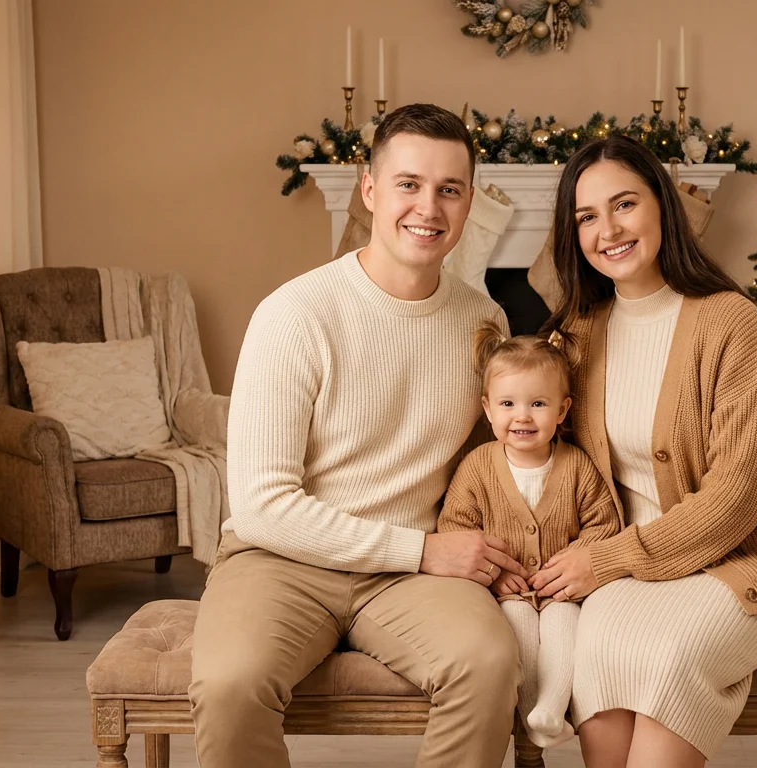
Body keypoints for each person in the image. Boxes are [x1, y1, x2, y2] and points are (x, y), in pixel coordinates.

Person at [189, 103, 528, 768]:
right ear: (370, 189)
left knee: (488, 662)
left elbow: (488, 465)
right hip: (282, 560)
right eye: (409, 184)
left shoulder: (484, 320)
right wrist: (424, 550)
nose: (428, 208)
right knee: (230, 684)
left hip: (409, 578)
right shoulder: (294, 314)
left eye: (449, 189)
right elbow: (261, 506)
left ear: (468, 203)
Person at [530, 135, 757, 768]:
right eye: (586, 217)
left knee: (666, 656)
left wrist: (606, 560)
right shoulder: (576, 335)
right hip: (629, 569)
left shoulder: (730, 321)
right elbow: (544, 461)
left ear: (662, 205)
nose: (608, 230)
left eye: (624, 204)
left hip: (743, 560)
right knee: (595, 652)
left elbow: (736, 500)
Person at [438, 323, 620, 750]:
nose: (522, 416)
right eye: (508, 403)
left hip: (561, 592)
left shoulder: (577, 465)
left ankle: (551, 710)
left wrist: (571, 563)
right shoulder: (477, 467)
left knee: (563, 628)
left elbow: (604, 524)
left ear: (562, 410)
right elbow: (455, 527)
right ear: (488, 409)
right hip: (508, 592)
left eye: (538, 403)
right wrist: (494, 574)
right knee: (517, 630)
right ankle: (530, 721)